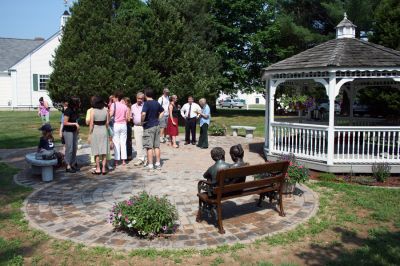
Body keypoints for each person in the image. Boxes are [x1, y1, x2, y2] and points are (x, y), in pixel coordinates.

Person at [141, 88, 164, 170]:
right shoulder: (156, 103)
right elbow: (162, 111)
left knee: (149, 146)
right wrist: (158, 119)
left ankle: (150, 164)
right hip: (157, 125)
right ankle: (158, 164)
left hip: (148, 126)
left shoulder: (146, 103)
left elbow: (143, 114)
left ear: (146, 94)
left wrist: (141, 121)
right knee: (157, 146)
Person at [88, 96, 110, 175]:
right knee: (104, 151)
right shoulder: (106, 110)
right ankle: (103, 168)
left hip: (96, 131)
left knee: (96, 151)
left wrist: (89, 134)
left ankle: (98, 168)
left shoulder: (92, 111)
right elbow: (107, 123)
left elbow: (91, 124)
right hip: (104, 130)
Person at [110, 91, 129, 166]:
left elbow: (111, 114)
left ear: (117, 97)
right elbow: (127, 118)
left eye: (114, 97)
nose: (113, 99)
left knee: (116, 143)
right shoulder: (125, 106)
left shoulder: (113, 105)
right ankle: (124, 160)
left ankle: (116, 161)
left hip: (116, 124)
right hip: (124, 125)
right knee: (123, 143)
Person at [63, 97, 80, 173]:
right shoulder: (68, 110)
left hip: (74, 131)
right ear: (74, 103)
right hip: (68, 131)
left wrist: (77, 129)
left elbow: (75, 120)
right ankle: (67, 165)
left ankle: (73, 164)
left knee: (74, 148)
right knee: (69, 148)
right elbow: (65, 122)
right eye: (78, 102)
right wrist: (75, 124)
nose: (80, 103)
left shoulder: (75, 110)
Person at [131, 92, 146, 166]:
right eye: (138, 98)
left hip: (145, 126)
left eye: (141, 98)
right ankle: (140, 159)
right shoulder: (133, 106)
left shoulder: (146, 105)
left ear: (144, 99)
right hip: (136, 126)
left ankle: (146, 159)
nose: (140, 100)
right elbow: (131, 115)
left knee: (146, 143)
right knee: (138, 143)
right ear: (136, 98)